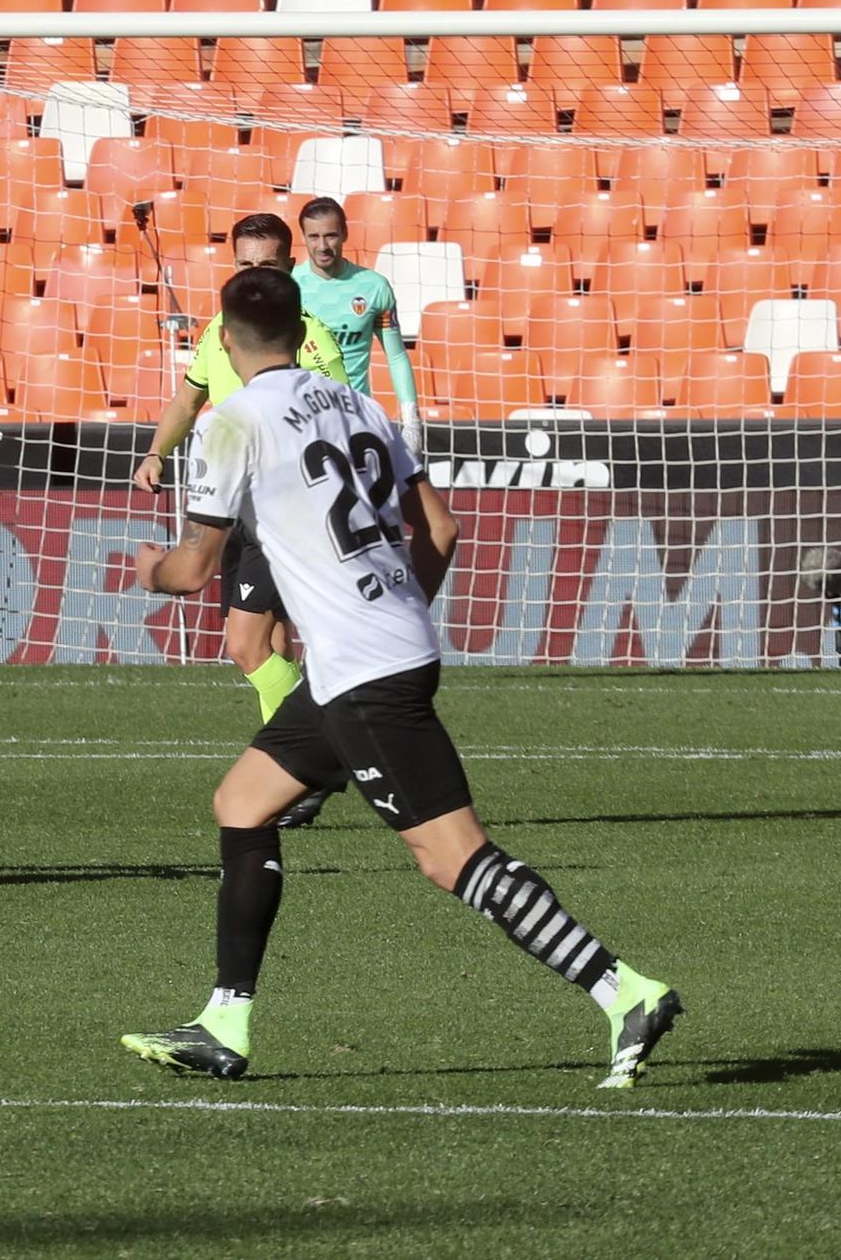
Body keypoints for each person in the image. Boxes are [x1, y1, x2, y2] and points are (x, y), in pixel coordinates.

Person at [119, 267, 682, 1089]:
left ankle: (623, 988)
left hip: (363, 673)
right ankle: (224, 1021)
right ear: (303, 332)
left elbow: (197, 567)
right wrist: (393, 606)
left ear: (227, 339)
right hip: (384, 646)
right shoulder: (357, 403)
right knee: (242, 802)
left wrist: (148, 572)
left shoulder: (232, 422)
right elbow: (442, 527)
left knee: (450, 855)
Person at [133, 212, 346, 827]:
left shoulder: (310, 341)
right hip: (231, 503)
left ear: (289, 269)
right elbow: (187, 398)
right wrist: (155, 453)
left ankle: (323, 747)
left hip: (284, 509)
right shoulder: (217, 333)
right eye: (245, 265)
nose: (255, 277)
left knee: (246, 646)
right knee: (272, 647)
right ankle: (295, 784)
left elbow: (336, 414)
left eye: (269, 267)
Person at [294, 197, 421, 451]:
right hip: (301, 421)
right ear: (304, 237)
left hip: (356, 419)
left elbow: (395, 357)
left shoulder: (374, 287)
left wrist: (411, 422)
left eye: (330, 235)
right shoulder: (288, 285)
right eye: (313, 237)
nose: (322, 246)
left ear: (345, 234)